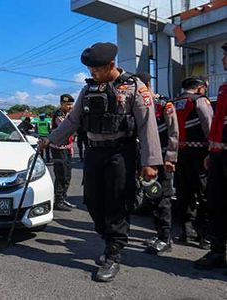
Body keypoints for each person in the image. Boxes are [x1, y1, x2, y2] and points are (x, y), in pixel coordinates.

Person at [38, 42, 162, 282]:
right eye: (90, 70)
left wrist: (150, 162)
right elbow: (72, 120)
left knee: (117, 202)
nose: (92, 74)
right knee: (93, 202)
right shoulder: (89, 89)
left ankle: (113, 253)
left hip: (120, 153)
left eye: (96, 69)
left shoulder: (134, 87)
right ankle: (109, 241)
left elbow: (148, 126)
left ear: (112, 64)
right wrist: (49, 140)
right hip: (95, 152)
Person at [135, 72, 179, 254]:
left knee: (163, 199)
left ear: (146, 85)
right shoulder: (139, 106)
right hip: (146, 161)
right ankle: (158, 233)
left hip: (163, 161)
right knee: (151, 197)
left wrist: (170, 157)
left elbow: (173, 133)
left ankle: (165, 238)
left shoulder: (164, 105)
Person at [194, 42, 227, 271]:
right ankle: (217, 251)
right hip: (218, 156)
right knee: (216, 203)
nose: (223, 59)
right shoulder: (224, 88)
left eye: (226, 55)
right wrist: (210, 152)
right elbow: (217, 124)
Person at [173, 76, 213, 249]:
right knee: (204, 194)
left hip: (179, 153)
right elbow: (209, 125)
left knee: (184, 193)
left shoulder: (173, 102)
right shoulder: (200, 101)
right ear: (199, 88)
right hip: (200, 154)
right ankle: (205, 235)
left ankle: (186, 231)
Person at [50, 94, 76, 211]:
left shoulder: (67, 114)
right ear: (61, 104)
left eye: (71, 104)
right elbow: (65, 127)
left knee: (67, 176)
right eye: (68, 104)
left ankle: (63, 199)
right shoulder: (59, 115)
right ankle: (58, 201)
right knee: (61, 175)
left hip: (66, 148)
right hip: (58, 149)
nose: (70, 106)